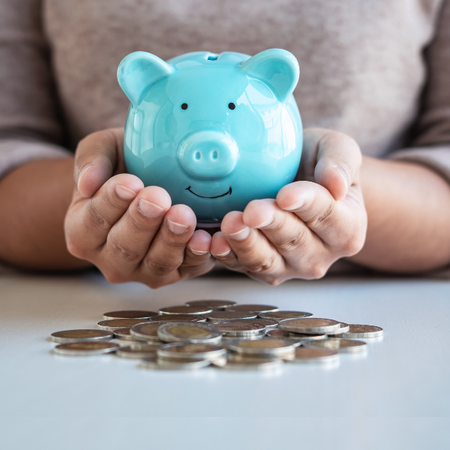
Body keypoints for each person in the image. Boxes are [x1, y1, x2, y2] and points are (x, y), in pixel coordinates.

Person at [1, 0, 449, 287]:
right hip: (81, 300)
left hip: (379, 301)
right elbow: (9, 149)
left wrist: (335, 198)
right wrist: (95, 200)